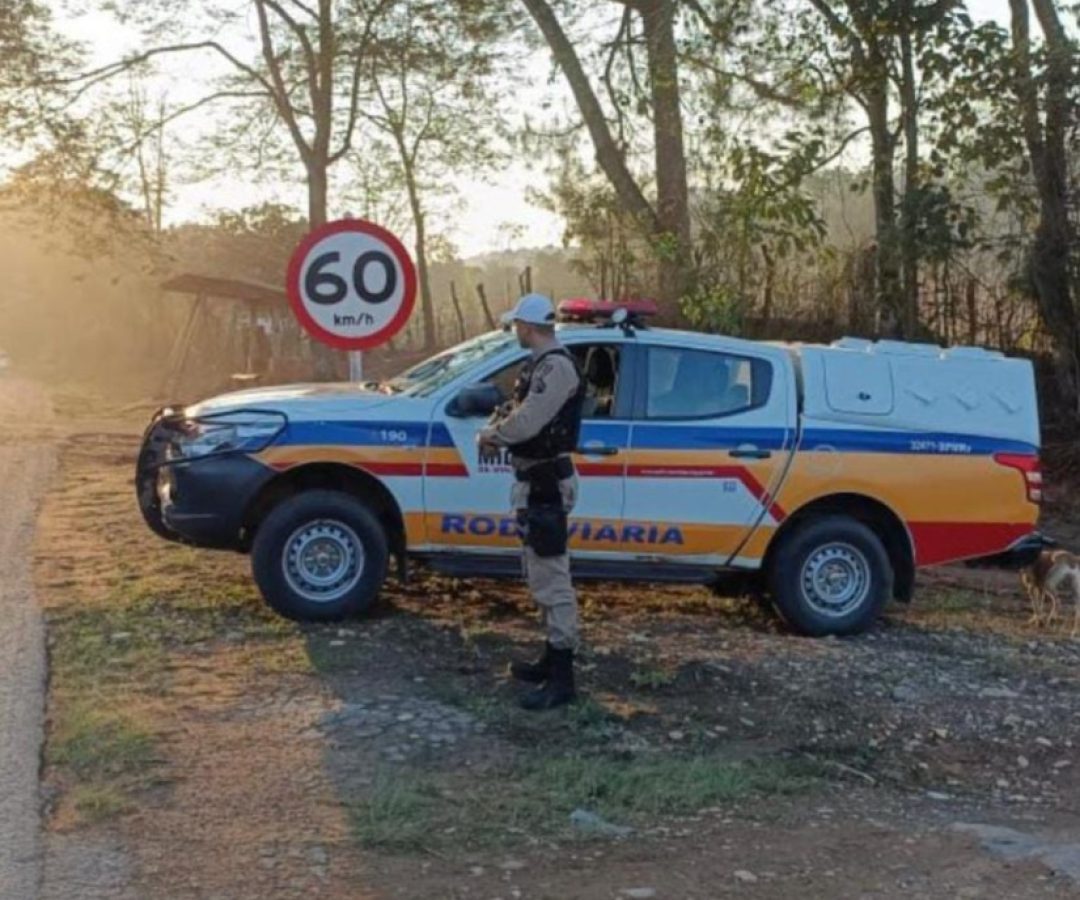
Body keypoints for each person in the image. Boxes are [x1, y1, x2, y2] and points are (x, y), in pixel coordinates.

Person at [478, 293, 586, 710]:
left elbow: (529, 420)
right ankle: (551, 659)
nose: (515, 333)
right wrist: (497, 426)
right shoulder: (542, 366)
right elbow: (516, 408)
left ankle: (563, 679)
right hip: (535, 481)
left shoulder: (556, 368)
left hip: (545, 484)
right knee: (539, 572)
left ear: (527, 326)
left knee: (552, 579)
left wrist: (492, 436)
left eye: (517, 326)